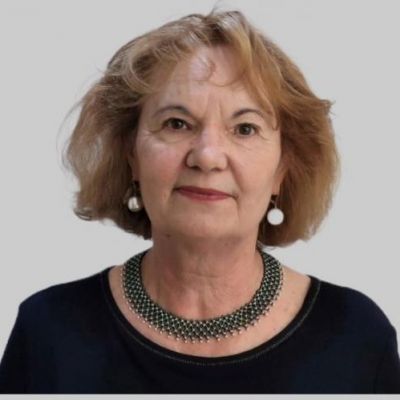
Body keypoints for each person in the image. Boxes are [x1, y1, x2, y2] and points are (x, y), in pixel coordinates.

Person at [0, 9, 399, 394]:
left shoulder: (357, 338)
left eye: (245, 128)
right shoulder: (48, 333)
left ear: (283, 169)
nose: (207, 156)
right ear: (131, 155)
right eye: (177, 123)